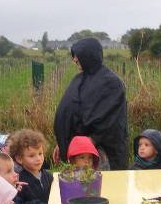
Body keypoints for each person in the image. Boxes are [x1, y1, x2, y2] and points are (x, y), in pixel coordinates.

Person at [53, 37, 128, 170]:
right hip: (79, 149)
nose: (74, 59)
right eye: (74, 55)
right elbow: (72, 113)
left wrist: (83, 145)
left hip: (102, 153)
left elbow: (108, 121)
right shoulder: (79, 79)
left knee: (101, 189)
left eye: (78, 55)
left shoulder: (111, 82)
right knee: (78, 189)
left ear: (90, 55)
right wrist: (63, 141)